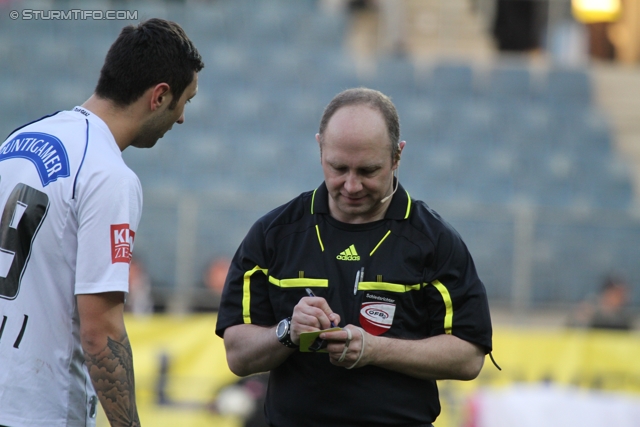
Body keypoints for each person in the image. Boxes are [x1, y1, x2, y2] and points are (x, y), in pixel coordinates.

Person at [216, 88, 493, 427]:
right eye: (338, 168)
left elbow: (469, 357)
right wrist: (288, 331)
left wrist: (375, 350)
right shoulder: (273, 235)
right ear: (320, 149)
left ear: (397, 157)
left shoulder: (435, 242)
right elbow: (237, 355)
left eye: (368, 170)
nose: (351, 185)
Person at [0, 18, 203, 427]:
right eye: (186, 101)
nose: (181, 118)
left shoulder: (17, 141)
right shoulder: (108, 175)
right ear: (160, 96)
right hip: (44, 410)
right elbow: (101, 332)